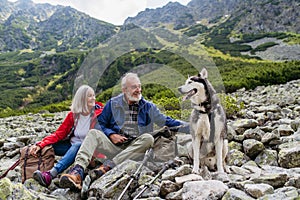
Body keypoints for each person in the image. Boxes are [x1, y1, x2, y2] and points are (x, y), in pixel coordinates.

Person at [59, 73, 189, 190]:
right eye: (134, 87)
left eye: (139, 86)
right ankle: (77, 172)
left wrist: (192, 127)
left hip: (135, 149)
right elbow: (99, 125)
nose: (138, 90)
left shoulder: (148, 106)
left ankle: (107, 167)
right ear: (124, 90)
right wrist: (111, 134)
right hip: (114, 146)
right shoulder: (112, 103)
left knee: (148, 138)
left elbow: (167, 121)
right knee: (93, 134)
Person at [29, 85, 103, 187]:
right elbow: (59, 134)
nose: (94, 98)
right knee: (49, 146)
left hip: (90, 151)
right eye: (90, 96)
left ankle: (50, 174)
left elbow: (104, 136)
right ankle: (35, 168)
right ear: (82, 99)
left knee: (78, 145)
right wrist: (40, 144)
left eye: (94, 95)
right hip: (71, 146)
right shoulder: (74, 115)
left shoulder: (100, 113)